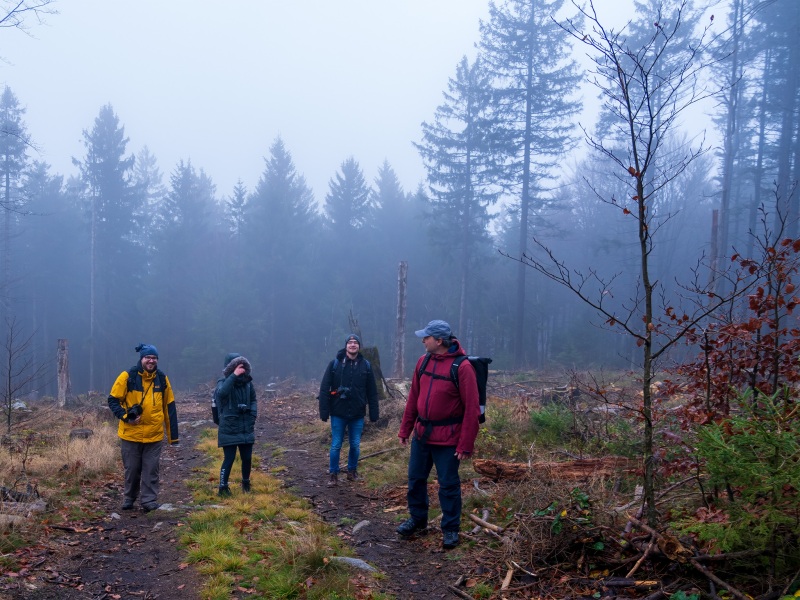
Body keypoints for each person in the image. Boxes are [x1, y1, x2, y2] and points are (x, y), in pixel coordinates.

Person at [397, 320, 480, 549]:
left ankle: (451, 529)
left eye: (426, 337)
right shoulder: (423, 362)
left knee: (448, 485)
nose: (423, 340)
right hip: (422, 435)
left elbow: (472, 409)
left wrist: (465, 445)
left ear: (439, 341)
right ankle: (417, 520)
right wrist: (405, 429)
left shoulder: (461, 368)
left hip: (448, 439)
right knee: (415, 480)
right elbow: (413, 397)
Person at [107, 343, 179, 512]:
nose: (151, 361)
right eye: (148, 357)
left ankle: (148, 500)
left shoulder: (162, 379)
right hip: (131, 434)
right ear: (142, 359)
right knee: (132, 469)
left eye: (154, 358)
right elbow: (113, 400)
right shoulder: (127, 376)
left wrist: (173, 436)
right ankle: (129, 498)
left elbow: (169, 407)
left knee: (151, 470)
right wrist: (126, 417)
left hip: (154, 435)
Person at [318, 334, 379, 487]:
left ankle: (352, 472)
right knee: (336, 445)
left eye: (355, 343)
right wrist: (324, 411)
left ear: (359, 346)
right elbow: (325, 388)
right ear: (346, 346)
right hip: (338, 412)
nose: (353, 345)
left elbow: (372, 391)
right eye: (350, 342)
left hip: (357, 413)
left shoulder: (366, 365)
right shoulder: (335, 364)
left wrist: (374, 413)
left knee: (355, 445)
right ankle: (333, 474)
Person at [212, 353, 257, 496]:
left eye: (242, 366)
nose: (240, 368)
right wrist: (233, 376)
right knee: (229, 458)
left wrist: (253, 415)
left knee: (247, 458)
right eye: (237, 366)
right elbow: (221, 394)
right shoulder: (223, 381)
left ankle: (246, 484)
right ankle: (223, 487)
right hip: (229, 427)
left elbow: (254, 400)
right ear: (230, 367)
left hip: (245, 426)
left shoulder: (248, 383)